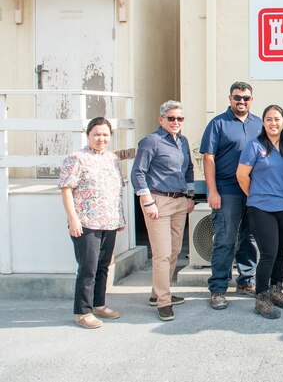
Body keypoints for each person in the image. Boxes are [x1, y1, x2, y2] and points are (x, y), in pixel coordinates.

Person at [58, 117, 126, 329]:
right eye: (97, 134)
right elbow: (66, 188)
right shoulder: (76, 158)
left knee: (103, 266)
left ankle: (99, 304)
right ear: (88, 134)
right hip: (86, 222)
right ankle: (82, 312)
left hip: (109, 221)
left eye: (105, 135)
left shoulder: (112, 159)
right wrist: (73, 219)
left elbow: (116, 191)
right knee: (88, 268)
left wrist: (119, 219)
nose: (101, 138)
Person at [131, 101, 195, 322]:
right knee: (162, 253)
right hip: (158, 201)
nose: (176, 122)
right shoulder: (151, 141)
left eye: (179, 118)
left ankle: (156, 292)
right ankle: (163, 302)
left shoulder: (183, 142)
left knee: (175, 250)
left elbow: (188, 170)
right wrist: (147, 201)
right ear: (161, 119)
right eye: (171, 118)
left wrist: (189, 196)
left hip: (179, 202)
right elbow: (138, 173)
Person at [200, 81, 262, 310]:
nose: (241, 101)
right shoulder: (218, 124)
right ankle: (218, 288)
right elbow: (209, 158)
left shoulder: (259, 124)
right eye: (237, 97)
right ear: (230, 98)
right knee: (226, 239)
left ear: (251, 100)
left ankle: (246, 281)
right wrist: (212, 191)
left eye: (246, 98)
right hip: (227, 190)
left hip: (254, 190)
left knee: (249, 237)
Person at [237, 105, 283, 319]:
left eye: (277, 119)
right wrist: (257, 195)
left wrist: (277, 190)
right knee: (268, 253)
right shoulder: (254, 146)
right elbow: (242, 176)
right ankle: (261, 298)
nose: (273, 123)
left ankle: (275, 290)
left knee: (282, 252)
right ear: (263, 122)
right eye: (269, 119)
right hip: (261, 208)